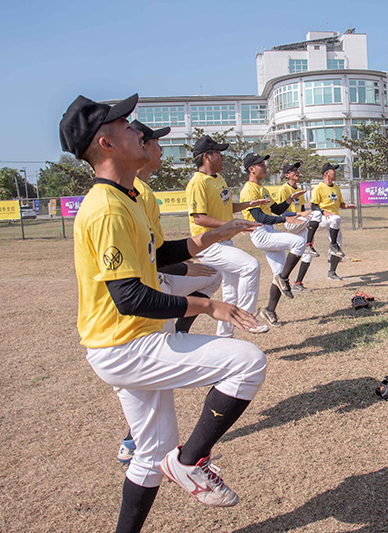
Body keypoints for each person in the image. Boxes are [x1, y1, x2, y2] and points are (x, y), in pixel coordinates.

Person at [61, 94, 268, 533]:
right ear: (106, 143)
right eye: (125, 124)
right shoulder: (106, 208)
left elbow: (159, 256)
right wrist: (211, 304)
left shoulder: (128, 196)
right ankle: (191, 462)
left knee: (152, 453)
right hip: (126, 344)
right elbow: (130, 297)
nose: (138, 129)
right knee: (247, 362)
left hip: (125, 342)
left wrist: (221, 233)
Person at [115, 120, 223, 466]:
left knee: (213, 276)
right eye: (155, 142)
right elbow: (150, 257)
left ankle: (139, 444)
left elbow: (155, 250)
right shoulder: (135, 194)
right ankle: (136, 442)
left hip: (157, 286)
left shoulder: (140, 191)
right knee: (148, 383)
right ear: (141, 149)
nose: (161, 148)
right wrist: (185, 272)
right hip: (146, 298)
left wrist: (187, 263)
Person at [185, 135, 271, 336]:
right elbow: (199, 218)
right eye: (219, 154)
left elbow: (225, 207)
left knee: (230, 291)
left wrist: (247, 205)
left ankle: (225, 336)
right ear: (207, 157)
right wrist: (232, 225)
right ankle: (248, 318)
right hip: (208, 244)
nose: (223, 157)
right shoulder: (197, 182)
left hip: (224, 241)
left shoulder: (218, 179)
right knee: (250, 266)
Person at [238, 153, 310, 325]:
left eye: (264, 163)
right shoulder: (248, 189)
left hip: (267, 230)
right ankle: (283, 278)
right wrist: (286, 219)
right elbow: (259, 217)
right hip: (261, 233)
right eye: (260, 164)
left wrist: (289, 200)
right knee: (299, 242)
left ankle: (269, 310)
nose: (265, 167)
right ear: (251, 169)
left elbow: (276, 210)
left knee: (278, 273)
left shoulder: (263, 189)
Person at [277, 161, 322, 292]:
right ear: (286, 175)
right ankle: (308, 244)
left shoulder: (299, 189)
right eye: (292, 170)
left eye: (297, 169)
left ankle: (298, 283)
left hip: (300, 223)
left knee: (307, 255)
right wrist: (300, 214)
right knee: (317, 215)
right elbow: (281, 211)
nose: (296, 172)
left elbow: (303, 209)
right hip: (290, 222)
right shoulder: (284, 189)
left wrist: (303, 214)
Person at [309, 162, 356, 280]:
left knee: (339, 247)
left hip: (334, 221)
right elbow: (313, 206)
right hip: (322, 218)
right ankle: (333, 246)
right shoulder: (318, 188)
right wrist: (324, 212)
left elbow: (341, 204)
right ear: (326, 173)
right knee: (336, 218)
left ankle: (332, 272)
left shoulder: (336, 187)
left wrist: (347, 206)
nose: (335, 172)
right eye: (333, 170)